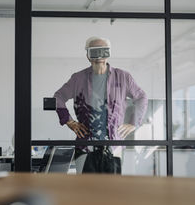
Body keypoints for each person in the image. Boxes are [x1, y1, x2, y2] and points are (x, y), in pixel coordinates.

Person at [53, 36, 148, 174]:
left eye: (103, 51)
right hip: (85, 146)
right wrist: (68, 121)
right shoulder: (77, 79)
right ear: (87, 55)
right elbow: (58, 97)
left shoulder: (123, 77)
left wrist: (134, 123)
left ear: (109, 53)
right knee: (86, 189)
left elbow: (141, 97)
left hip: (114, 146)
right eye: (94, 51)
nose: (99, 56)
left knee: (112, 189)